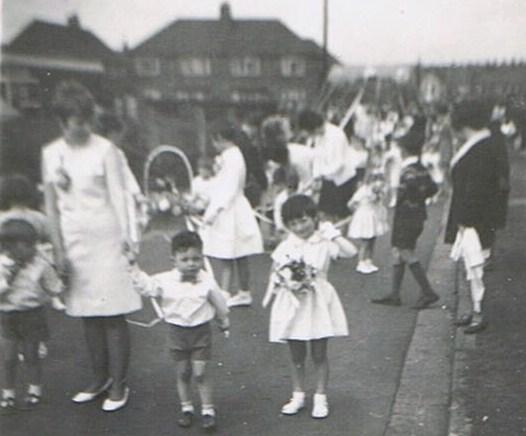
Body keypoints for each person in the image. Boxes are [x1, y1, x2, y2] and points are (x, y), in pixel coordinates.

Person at [41, 81, 142, 411]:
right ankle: (99, 379)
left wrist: (129, 237)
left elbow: (119, 196)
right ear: (62, 120)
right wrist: (57, 249)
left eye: (86, 119)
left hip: (108, 239)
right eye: (75, 121)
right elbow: (51, 207)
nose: (82, 126)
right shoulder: (50, 153)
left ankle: (119, 384)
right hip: (75, 242)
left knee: (112, 314)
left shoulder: (105, 150)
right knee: (88, 315)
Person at [262, 195, 357, 419]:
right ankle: (298, 394)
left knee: (318, 353)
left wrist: (333, 234)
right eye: (293, 224)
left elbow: (350, 252)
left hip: (317, 302)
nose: (300, 227)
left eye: (304, 220)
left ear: (314, 218)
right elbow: (275, 271)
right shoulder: (287, 244)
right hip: (294, 302)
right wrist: (281, 283)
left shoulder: (323, 242)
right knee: (296, 353)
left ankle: (320, 397)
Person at [131, 231, 229, 431]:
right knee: (183, 372)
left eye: (196, 259)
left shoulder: (207, 280)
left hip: (200, 332)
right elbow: (147, 288)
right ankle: (186, 408)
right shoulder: (165, 280)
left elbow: (218, 301)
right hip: (177, 333)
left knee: (200, 373)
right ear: (173, 260)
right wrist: (134, 268)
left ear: (202, 258)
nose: (191, 263)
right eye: (185, 259)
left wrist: (223, 319)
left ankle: (208, 411)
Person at [372, 118, 440, 309]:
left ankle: (428, 291)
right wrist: (419, 199)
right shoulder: (421, 168)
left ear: (404, 150)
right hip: (417, 215)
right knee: (398, 252)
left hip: (406, 217)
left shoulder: (408, 171)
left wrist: (407, 198)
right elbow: (433, 189)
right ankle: (395, 294)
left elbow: (407, 190)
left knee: (405, 251)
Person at [445, 101, 499, 333]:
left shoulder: (480, 148)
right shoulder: (479, 144)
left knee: (477, 266)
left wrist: (465, 218)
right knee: (471, 265)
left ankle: (479, 313)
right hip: (472, 216)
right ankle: (475, 309)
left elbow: (476, 189)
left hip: (475, 218)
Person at [0, 219, 63, 411]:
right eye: (27, 245)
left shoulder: (40, 263)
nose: (33, 248)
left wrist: (61, 281)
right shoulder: (2, 264)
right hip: (7, 316)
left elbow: (54, 287)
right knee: (8, 357)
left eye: (33, 244)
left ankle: (35, 389)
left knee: (31, 355)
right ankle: (8, 392)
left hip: (32, 315)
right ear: (9, 246)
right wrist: (9, 277)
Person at [200, 121, 263, 307]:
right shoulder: (232, 156)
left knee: (230, 252)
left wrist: (215, 210)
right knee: (235, 252)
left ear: (219, 139)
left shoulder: (232, 157)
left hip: (230, 209)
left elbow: (229, 188)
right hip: (230, 206)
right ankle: (238, 292)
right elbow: (221, 184)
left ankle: (229, 292)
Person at [297, 110, 358, 221]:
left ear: (315, 127)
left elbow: (338, 164)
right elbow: (317, 157)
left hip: (344, 180)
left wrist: (320, 175)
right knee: (324, 214)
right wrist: (315, 176)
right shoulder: (317, 136)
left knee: (341, 217)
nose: (312, 135)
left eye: (312, 132)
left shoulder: (336, 135)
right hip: (329, 180)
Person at [347, 171, 389, 274]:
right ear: (370, 180)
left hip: (374, 216)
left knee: (372, 240)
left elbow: (380, 202)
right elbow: (351, 203)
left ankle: (369, 261)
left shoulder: (380, 191)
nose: (378, 182)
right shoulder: (364, 190)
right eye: (375, 179)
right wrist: (357, 210)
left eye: (380, 179)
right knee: (365, 241)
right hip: (365, 217)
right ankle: (361, 263)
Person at [261, 115, 315, 193]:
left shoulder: (299, 156)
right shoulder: (271, 162)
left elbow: (308, 184)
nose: (291, 134)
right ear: (279, 136)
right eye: (288, 130)